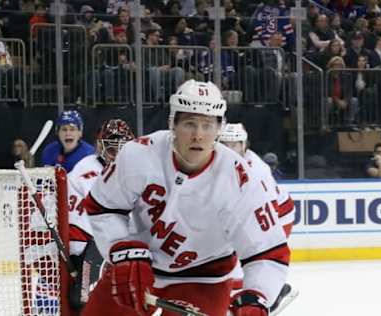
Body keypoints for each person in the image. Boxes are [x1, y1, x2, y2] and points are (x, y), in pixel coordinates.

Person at [79, 80, 290, 316]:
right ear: (173, 124)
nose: (198, 135)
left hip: (204, 278)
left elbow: (269, 252)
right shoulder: (138, 154)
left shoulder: (241, 180)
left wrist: (257, 296)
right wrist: (120, 248)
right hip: (136, 266)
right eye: (190, 124)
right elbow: (102, 207)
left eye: (207, 125)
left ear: (219, 129)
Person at [219, 122, 296, 313]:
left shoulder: (256, 171)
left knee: (250, 261)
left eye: (235, 144)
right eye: (225, 144)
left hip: (278, 216)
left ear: (245, 145)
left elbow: (267, 212)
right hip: (252, 214)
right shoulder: (220, 163)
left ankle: (269, 295)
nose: (230, 149)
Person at [67, 118, 135, 310]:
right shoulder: (89, 169)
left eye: (124, 149)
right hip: (86, 241)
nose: (118, 155)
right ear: (101, 147)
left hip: (100, 240)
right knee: (82, 299)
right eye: (114, 149)